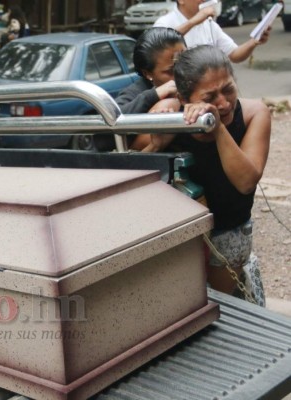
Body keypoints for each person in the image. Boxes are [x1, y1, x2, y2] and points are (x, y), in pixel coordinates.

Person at [147, 45, 270, 305]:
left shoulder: (252, 113)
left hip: (230, 230)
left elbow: (246, 181)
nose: (223, 103)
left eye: (228, 89)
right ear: (184, 98)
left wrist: (217, 129)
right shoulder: (168, 113)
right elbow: (133, 171)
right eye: (210, 96)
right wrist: (158, 143)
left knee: (221, 306)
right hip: (179, 236)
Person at [114, 27, 186, 150]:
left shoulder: (198, 77)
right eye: (171, 71)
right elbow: (109, 125)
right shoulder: (136, 92)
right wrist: (154, 95)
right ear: (148, 73)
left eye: (186, 63)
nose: (183, 73)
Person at [154, 0, 270, 63]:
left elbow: (234, 54)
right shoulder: (165, 22)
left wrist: (253, 42)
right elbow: (156, 46)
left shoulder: (209, 24)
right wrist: (193, 22)